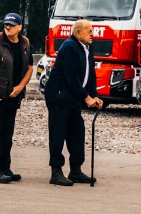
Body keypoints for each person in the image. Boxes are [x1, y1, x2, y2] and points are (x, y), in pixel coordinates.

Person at [44, 19, 104, 186]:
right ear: (78, 33)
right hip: (59, 96)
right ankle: (56, 172)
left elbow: (90, 73)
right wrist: (86, 98)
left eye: (92, 30)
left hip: (73, 98)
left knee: (77, 132)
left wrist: (95, 94)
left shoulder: (88, 47)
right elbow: (71, 77)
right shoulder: (70, 46)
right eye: (89, 31)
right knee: (58, 133)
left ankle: (75, 170)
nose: (93, 33)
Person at [0, 12, 33, 183]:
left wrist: (20, 87)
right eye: (5, 24)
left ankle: (5, 168)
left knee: (7, 134)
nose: (7, 27)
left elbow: (30, 68)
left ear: (20, 27)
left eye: (11, 25)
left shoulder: (25, 43)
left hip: (13, 97)